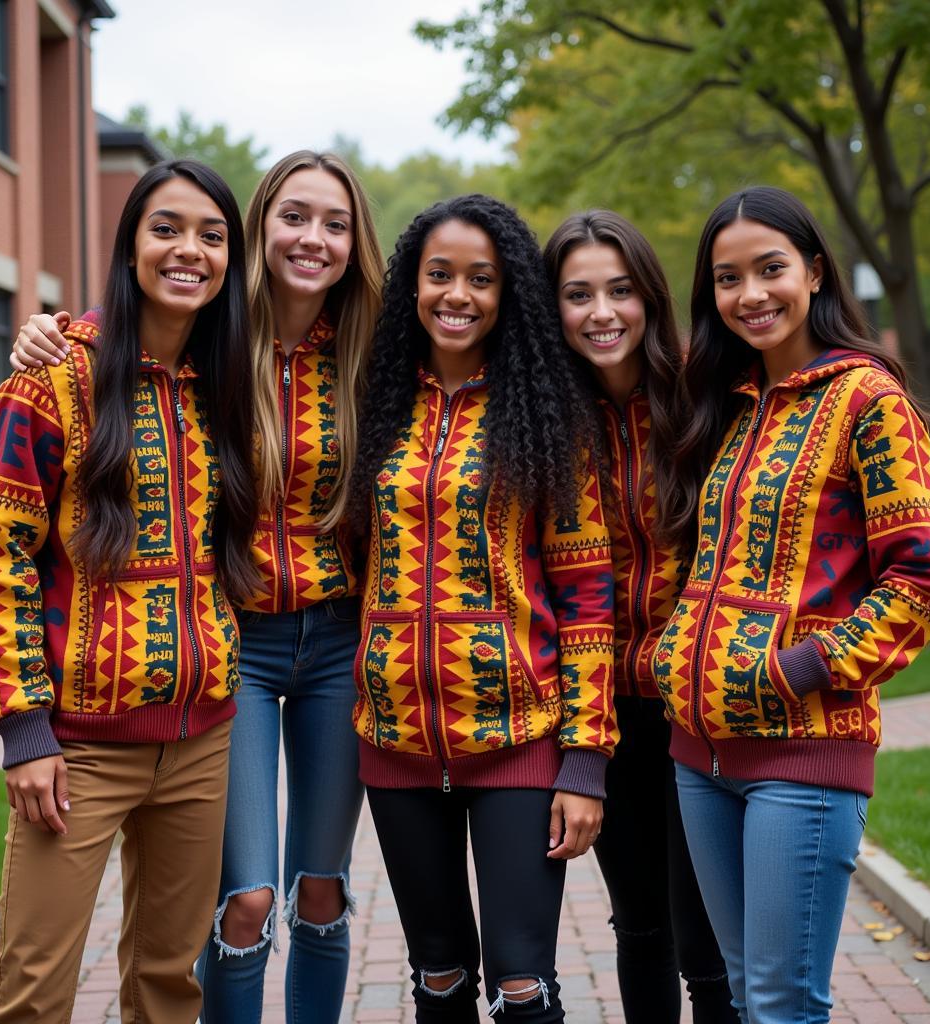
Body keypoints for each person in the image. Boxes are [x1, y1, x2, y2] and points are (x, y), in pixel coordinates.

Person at [9, 150, 384, 1024]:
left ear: (354, 242)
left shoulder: (372, 354)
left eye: (335, 223)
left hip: (339, 642)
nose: (314, 238)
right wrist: (48, 331)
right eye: (294, 216)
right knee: (246, 898)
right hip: (236, 644)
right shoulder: (218, 341)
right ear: (258, 230)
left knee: (321, 890)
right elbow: (127, 335)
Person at [652, 185, 930, 1023]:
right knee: (750, 996)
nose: (751, 294)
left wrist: (795, 670)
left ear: (814, 272)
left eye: (771, 268)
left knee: (784, 1003)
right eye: (727, 277)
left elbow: (919, 586)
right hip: (699, 755)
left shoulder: (869, 401)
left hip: (805, 749)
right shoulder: (733, 408)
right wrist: (672, 656)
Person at [0, 159, 259, 1024]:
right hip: (80, 749)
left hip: (202, 737)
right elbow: (4, 559)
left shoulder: (225, 386)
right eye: (166, 228)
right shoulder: (53, 378)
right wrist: (26, 729)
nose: (190, 251)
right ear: (129, 244)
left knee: (170, 985)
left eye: (213, 236)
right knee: (32, 990)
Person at [345, 194, 618, 1021]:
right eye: (438, 275)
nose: (457, 294)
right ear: (411, 287)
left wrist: (586, 760)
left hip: (519, 742)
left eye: (481, 279)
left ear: (508, 295)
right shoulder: (375, 402)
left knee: (522, 977)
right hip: (395, 746)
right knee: (436, 974)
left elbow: (588, 595)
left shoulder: (547, 414)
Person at [543, 210, 738, 1023]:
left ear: (650, 298)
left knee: (708, 942)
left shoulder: (707, 400)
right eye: (578, 293)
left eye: (620, 290)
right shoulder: (550, 421)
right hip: (604, 712)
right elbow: (573, 593)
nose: (602, 312)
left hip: (700, 709)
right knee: (643, 928)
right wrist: (584, 751)